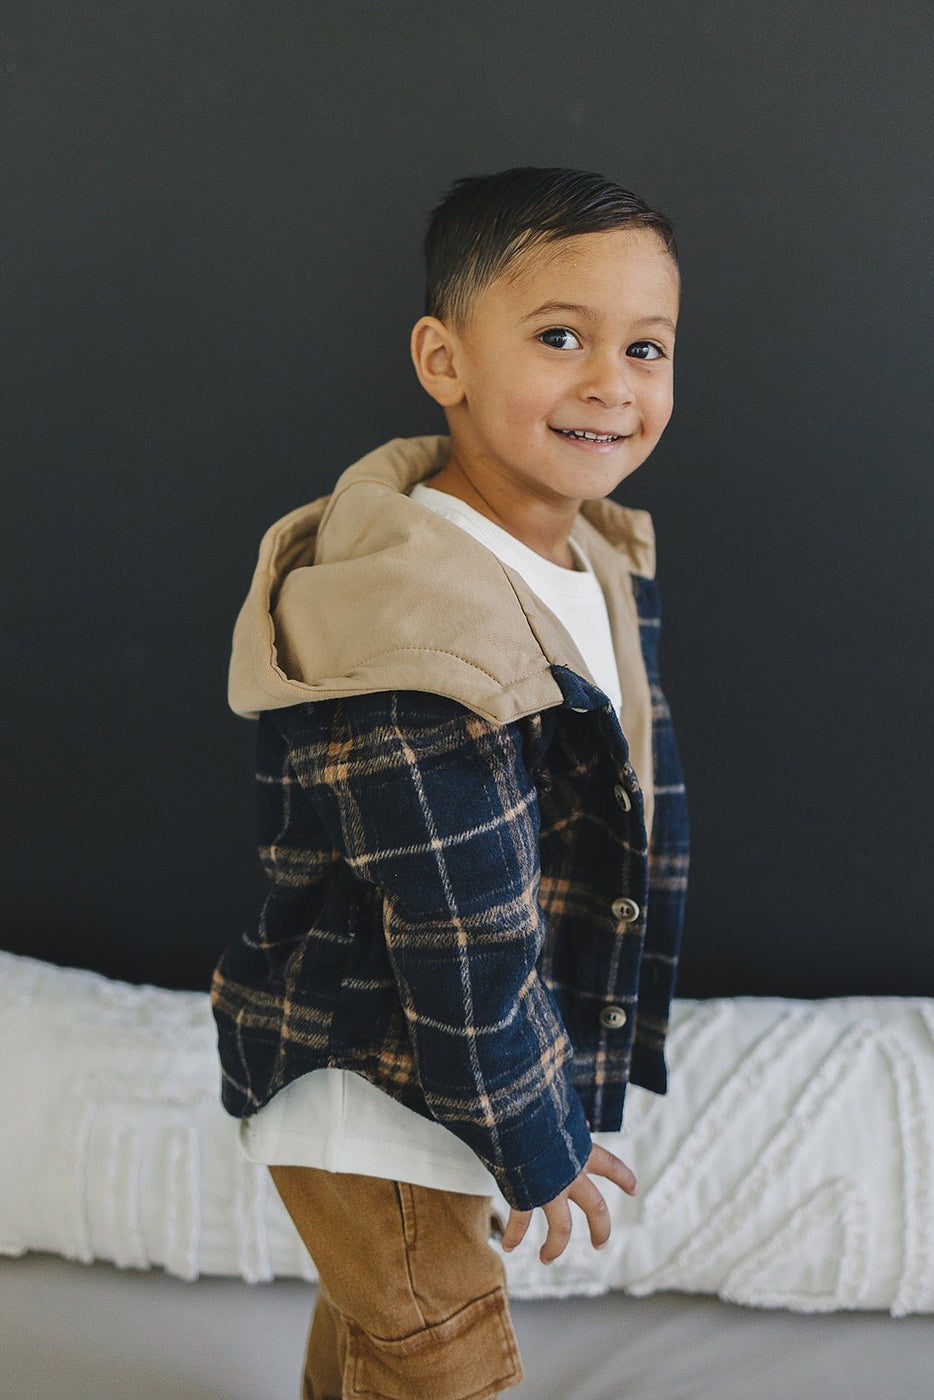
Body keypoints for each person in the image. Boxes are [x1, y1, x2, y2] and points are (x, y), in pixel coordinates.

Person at [209, 165, 690, 1400]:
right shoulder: (413, 621)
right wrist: (538, 1139)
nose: (611, 383)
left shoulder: (584, 551)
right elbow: (457, 924)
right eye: (559, 336)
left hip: (443, 1077)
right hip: (379, 1082)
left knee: (377, 1344)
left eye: (647, 347)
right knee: (446, 1362)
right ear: (444, 358)